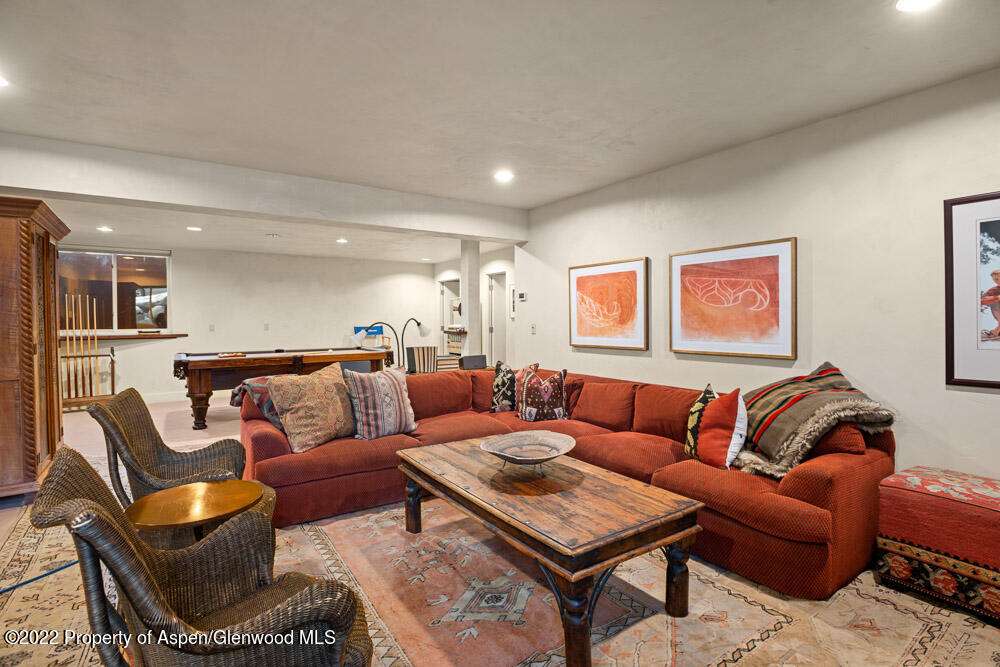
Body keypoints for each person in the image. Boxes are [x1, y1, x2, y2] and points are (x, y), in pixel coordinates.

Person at [982, 269, 1000, 338]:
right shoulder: (994, 290)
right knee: (994, 301)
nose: (996, 281)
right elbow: (981, 300)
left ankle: (997, 331)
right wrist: (997, 297)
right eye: (994, 279)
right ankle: (997, 331)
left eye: (997, 278)